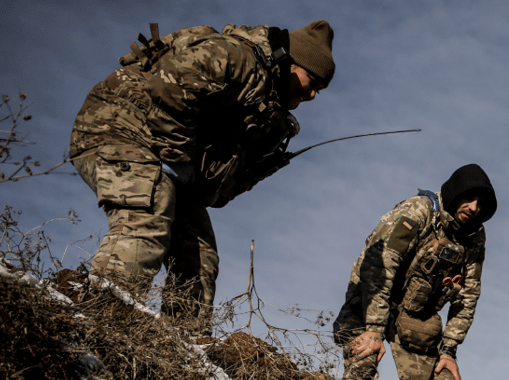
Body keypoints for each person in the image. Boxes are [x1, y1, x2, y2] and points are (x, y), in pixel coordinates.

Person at [70, 20, 336, 328]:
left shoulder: (266, 104)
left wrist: (256, 167)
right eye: (312, 81)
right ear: (292, 64)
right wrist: (180, 160)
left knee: (199, 259)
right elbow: (169, 86)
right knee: (147, 220)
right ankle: (97, 322)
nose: (314, 94)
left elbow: (219, 194)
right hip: (117, 129)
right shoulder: (237, 57)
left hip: (163, 160)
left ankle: (182, 349)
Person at [331, 165, 496, 380]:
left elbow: (468, 295)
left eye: (481, 205)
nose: (473, 208)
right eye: (469, 199)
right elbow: (380, 263)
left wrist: (449, 351)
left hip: (414, 313)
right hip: (371, 298)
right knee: (364, 356)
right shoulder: (420, 210)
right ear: (456, 191)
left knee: (444, 378)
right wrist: (374, 329)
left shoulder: (473, 238)